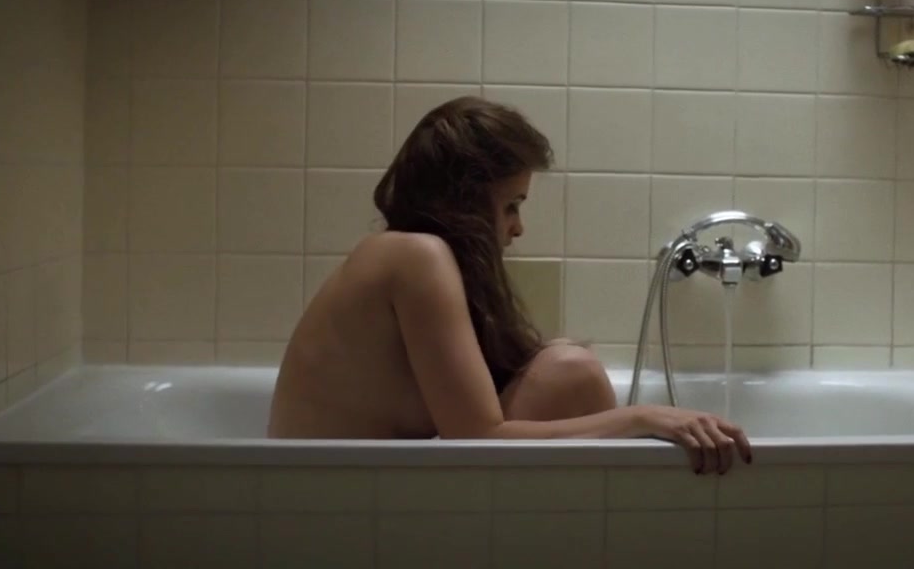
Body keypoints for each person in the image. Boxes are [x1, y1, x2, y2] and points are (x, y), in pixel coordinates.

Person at [268, 96, 751, 474]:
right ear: (467, 200)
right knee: (571, 373)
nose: (517, 228)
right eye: (511, 205)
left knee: (563, 367)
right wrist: (641, 418)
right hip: (329, 501)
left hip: (351, 489)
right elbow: (476, 436)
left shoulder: (405, 255)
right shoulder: (414, 256)